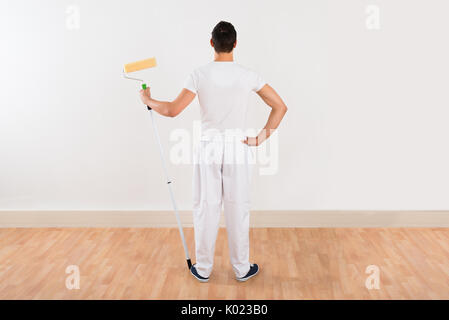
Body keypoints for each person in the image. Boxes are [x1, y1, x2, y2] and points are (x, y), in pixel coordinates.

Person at [140, 21, 287, 282]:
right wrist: (259, 139)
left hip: (209, 147)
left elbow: (173, 110)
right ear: (235, 44)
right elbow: (280, 106)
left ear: (212, 43)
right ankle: (242, 268)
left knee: (206, 207)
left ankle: (204, 269)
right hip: (237, 147)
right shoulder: (247, 74)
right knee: (238, 207)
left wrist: (148, 99)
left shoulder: (199, 74)